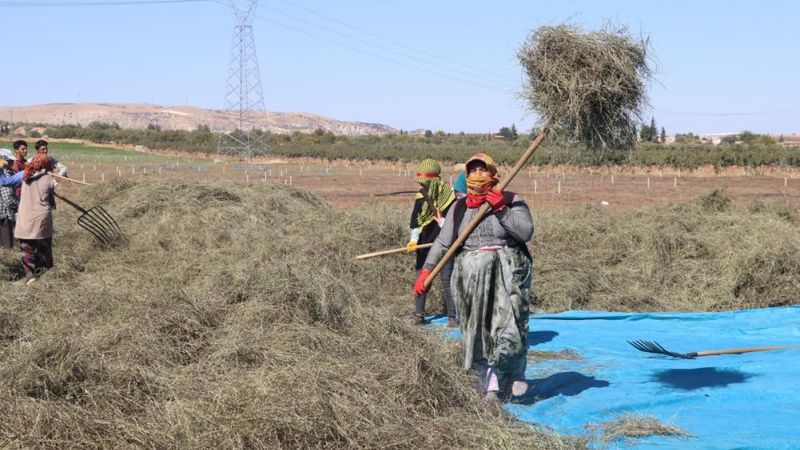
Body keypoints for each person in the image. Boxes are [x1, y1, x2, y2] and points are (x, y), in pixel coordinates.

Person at [414, 153, 533, 402]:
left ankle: (515, 373)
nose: (478, 175)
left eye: (483, 170)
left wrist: (501, 210)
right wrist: (427, 270)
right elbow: (443, 243)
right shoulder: (459, 208)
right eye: (473, 170)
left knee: (509, 329)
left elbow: (525, 233)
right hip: (470, 279)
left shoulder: (511, 200)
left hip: (506, 276)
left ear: (493, 173)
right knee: (477, 332)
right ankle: (490, 384)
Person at [406, 158, 458, 327]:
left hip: (445, 244)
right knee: (421, 277)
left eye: (427, 182)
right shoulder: (421, 196)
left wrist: (441, 221)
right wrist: (414, 239)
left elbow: (454, 223)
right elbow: (416, 220)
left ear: (435, 179)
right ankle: (419, 315)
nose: (424, 186)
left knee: (447, 279)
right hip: (424, 244)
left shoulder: (449, 197)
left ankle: (452, 317)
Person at [14, 154, 56, 285]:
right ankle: (45, 275)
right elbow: (51, 201)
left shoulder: (24, 175)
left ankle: (29, 275)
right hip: (42, 218)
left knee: (26, 246)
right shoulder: (50, 178)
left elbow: (6, 181)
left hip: (25, 217)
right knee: (43, 246)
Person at [0, 151, 20, 249]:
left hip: (7, 207)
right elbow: (7, 194)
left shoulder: (8, 172)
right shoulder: (4, 173)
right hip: (5, 208)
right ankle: (7, 250)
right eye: (11, 161)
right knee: (6, 229)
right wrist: (15, 205)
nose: (12, 163)